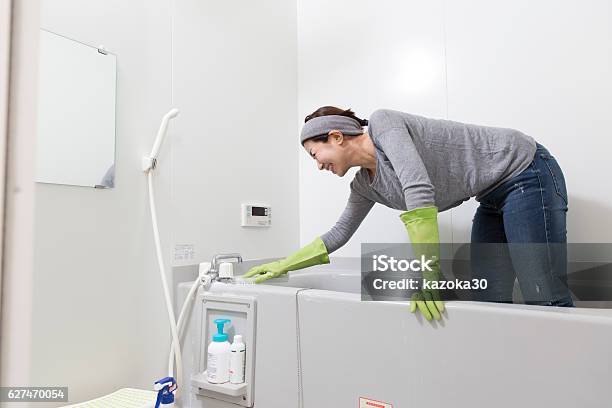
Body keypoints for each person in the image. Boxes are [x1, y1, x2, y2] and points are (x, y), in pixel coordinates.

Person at [244, 106, 574, 320]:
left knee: (544, 295)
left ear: (336, 136)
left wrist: (429, 278)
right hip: (490, 196)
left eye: (316, 154)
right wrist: (283, 264)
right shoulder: (364, 186)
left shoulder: (384, 124)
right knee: (488, 299)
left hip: (526, 171)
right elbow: (339, 234)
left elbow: (418, 191)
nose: (318, 165)